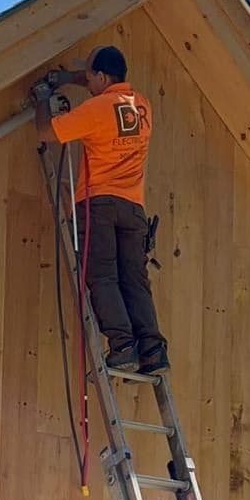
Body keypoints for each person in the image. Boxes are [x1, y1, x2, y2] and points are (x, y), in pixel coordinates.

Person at [35, 45, 169, 374]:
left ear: (103, 77)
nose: (87, 81)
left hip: (99, 204)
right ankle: (152, 350)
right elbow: (100, 84)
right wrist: (68, 78)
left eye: (91, 75)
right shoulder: (142, 106)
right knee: (135, 281)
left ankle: (123, 345)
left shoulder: (97, 109)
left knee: (103, 276)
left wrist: (42, 98)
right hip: (133, 208)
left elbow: (46, 132)